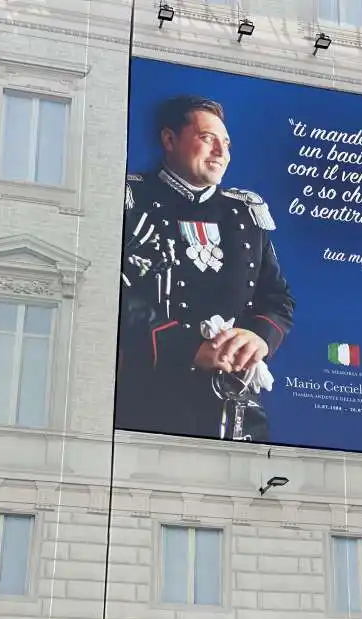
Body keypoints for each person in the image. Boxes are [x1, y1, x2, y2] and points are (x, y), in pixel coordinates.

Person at [116, 95, 295, 441]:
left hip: (235, 410)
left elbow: (277, 299)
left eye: (226, 143)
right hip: (151, 404)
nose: (221, 152)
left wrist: (257, 337)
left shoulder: (245, 213)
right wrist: (187, 348)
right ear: (169, 140)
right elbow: (111, 292)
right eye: (207, 138)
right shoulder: (129, 201)